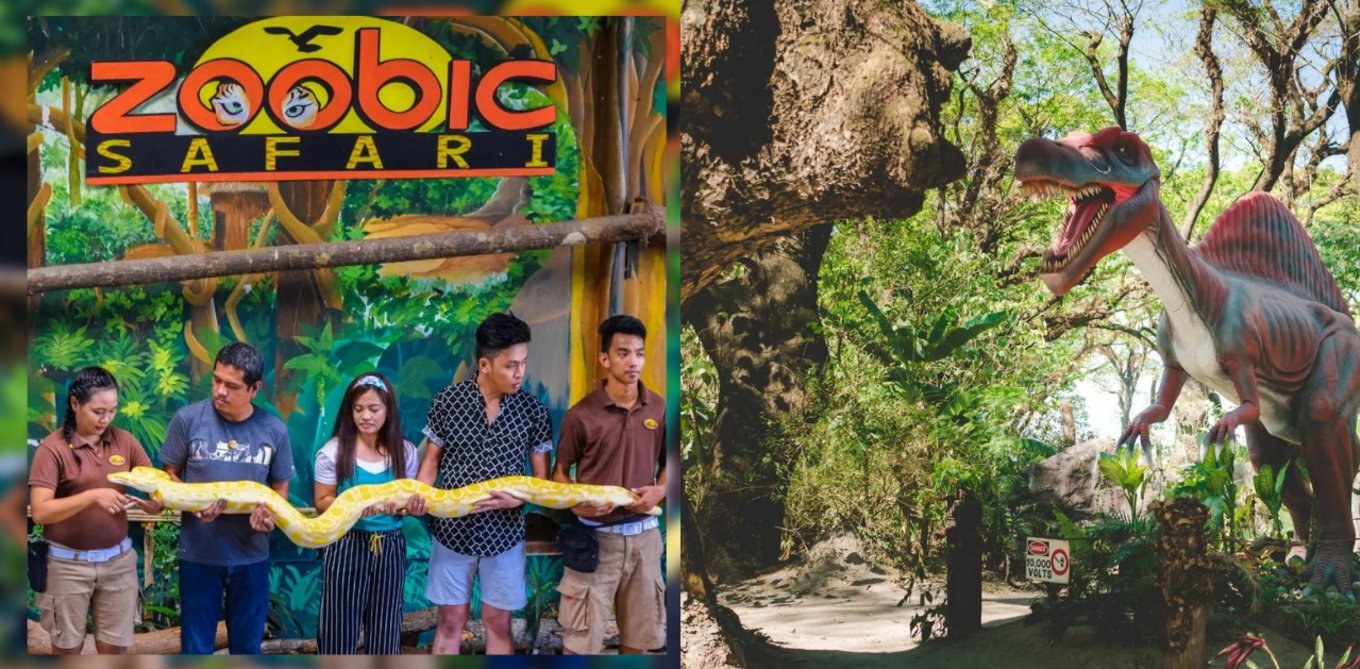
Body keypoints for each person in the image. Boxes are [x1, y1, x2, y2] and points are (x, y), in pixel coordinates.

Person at [416, 313, 553, 655]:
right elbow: (431, 462)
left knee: (499, 622)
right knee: (450, 621)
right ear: (484, 364)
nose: (520, 372)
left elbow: (542, 482)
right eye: (510, 365)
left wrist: (518, 501)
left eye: (523, 363)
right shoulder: (447, 401)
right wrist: (419, 495)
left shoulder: (534, 411)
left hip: (504, 535)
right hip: (451, 533)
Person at [159, 342, 294, 655]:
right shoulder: (187, 419)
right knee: (195, 647)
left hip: (251, 558)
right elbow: (169, 477)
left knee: (247, 649)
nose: (220, 391)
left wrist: (268, 516)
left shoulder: (274, 430)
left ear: (254, 388)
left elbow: (280, 492)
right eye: (216, 380)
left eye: (231, 386)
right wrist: (192, 506)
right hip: (198, 556)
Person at [553, 314, 667, 655]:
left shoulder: (660, 408)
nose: (633, 362)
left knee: (639, 644)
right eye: (623, 353)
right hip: (594, 541)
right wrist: (575, 503)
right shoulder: (581, 415)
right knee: (580, 644)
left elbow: (671, 462)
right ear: (605, 359)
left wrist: (659, 491)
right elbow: (560, 472)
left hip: (646, 541)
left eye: (639, 353)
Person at [29, 366, 164, 654]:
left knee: (116, 650)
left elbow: (157, 488)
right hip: (66, 566)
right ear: (75, 404)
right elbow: (40, 511)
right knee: (67, 650)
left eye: (112, 411)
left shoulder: (125, 441)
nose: (107, 419)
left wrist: (156, 503)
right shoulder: (52, 448)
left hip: (119, 565)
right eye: (98, 411)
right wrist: (92, 496)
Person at [314, 372, 427, 654]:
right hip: (346, 543)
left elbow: (408, 501)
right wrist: (357, 507)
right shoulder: (333, 451)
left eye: (374, 409)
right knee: (338, 629)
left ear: (387, 411)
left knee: (386, 628)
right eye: (358, 408)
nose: (366, 415)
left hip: (390, 546)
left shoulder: (405, 451)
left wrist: (409, 506)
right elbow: (322, 501)